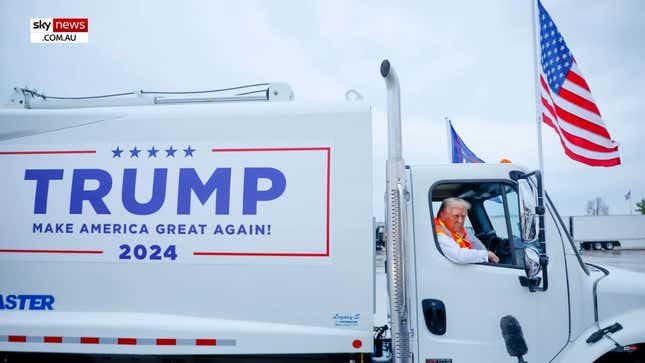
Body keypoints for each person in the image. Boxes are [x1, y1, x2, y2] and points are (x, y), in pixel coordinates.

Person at [434, 197, 500, 264]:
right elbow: (459, 256)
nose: (460, 221)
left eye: (463, 216)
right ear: (442, 215)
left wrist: (487, 254)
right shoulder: (439, 233)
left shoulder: (455, 229)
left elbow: (476, 243)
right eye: (456, 216)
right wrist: (486, 254)